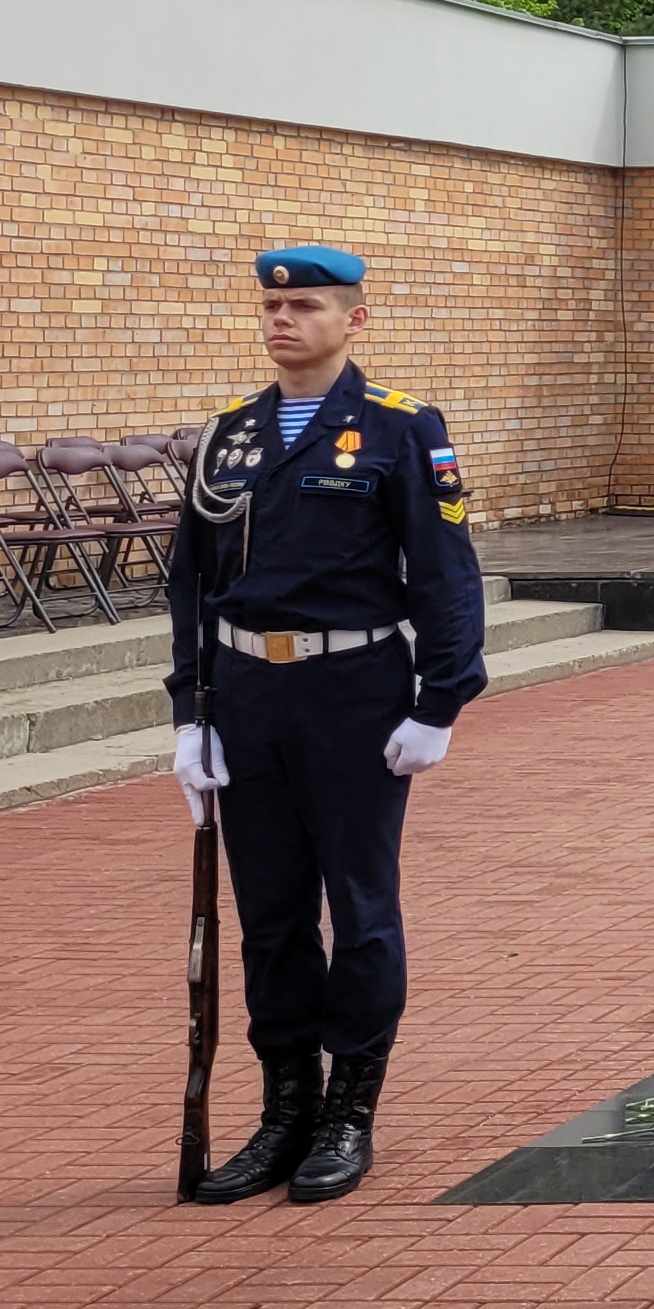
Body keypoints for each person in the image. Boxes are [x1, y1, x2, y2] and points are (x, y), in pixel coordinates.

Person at [166, 247, 489, 1206]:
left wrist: (441, 699)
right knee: (268, 917)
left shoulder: (398, 429)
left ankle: (349, 1113)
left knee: (359, 909)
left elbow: (444, 570)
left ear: (353, 320)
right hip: (248, 696)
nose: (281, 319)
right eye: (271, 304)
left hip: (353, 691)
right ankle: (284, 1113)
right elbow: (192, 582)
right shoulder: (227, 437)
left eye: (303, 305)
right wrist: (191, 711)